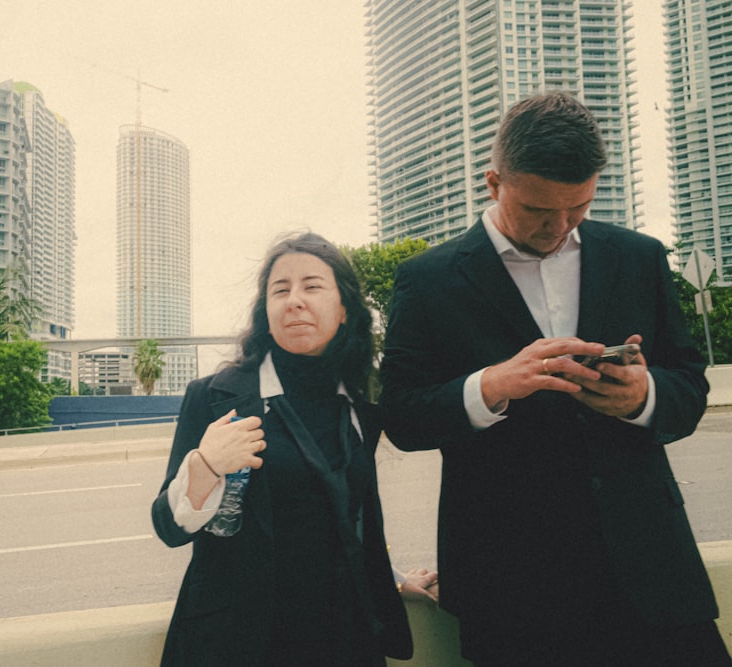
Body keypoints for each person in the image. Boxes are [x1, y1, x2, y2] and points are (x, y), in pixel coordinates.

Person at [379, 91, 731, 666]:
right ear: (494, 183)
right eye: (541, 211)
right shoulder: (427, 280)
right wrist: (491, 385)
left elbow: (690, 386)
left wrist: (645, 396)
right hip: (511, 590)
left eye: (580, 207)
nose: (561, 226)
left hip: (653, 573)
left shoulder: (639, 257)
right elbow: (402, 417)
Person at [152, 231, 414, 666]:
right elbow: (170, 529)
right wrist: (206, 464)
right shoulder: (215, 398)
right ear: (266, 311)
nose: (294, 300)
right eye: (280, 290)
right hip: (241, 640)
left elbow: (346, 516)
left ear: (344, 309)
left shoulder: (361, 405)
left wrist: (394, 579)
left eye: (312, 286)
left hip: (340, 634)